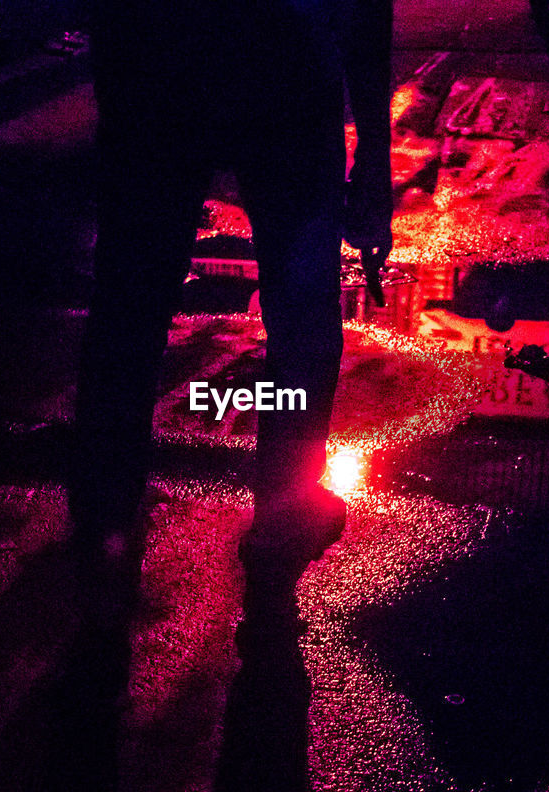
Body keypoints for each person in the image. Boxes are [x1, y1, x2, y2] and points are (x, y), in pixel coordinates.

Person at [71, 0, 393, 589]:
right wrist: (376, 147)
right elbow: (365, 13)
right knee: (298, 314)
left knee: (130, 304)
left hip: (154, 61)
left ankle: (104, 513)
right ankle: (283, 503)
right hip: (284, 62)